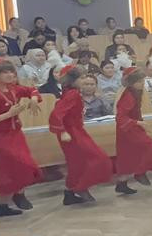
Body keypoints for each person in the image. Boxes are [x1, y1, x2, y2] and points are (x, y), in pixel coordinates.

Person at [0, 57, 43, 217]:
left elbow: (32, 90)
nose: (10, 75)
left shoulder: (13, 88)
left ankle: (15, 196)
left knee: (24, 165)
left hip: (15, 134)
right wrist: (8, 114)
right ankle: (7, 202)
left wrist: (34, 99)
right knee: (6, 170)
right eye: (5, 72)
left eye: (11, 71)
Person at [48, 66, 115, 204]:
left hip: (75, 130)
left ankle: (71, 192)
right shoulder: (72, 94)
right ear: (73, 80)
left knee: (76, 163)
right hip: (71, 132)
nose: (84, 81)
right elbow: (56, 114)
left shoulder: (72, 92)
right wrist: (62, 131)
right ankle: (80, 187)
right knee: (97, 158)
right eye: (82, 78)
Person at [114, 67, 152, 188]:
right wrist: (138, 123)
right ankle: (139, 173)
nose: (142, 84)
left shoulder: (136, 93)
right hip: (128, 129)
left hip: (133, 127)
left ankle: (122, 184)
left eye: (143, 81)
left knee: (129, 155)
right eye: (139, 82)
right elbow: (120, 117)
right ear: (131, 83)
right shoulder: (128, 96)